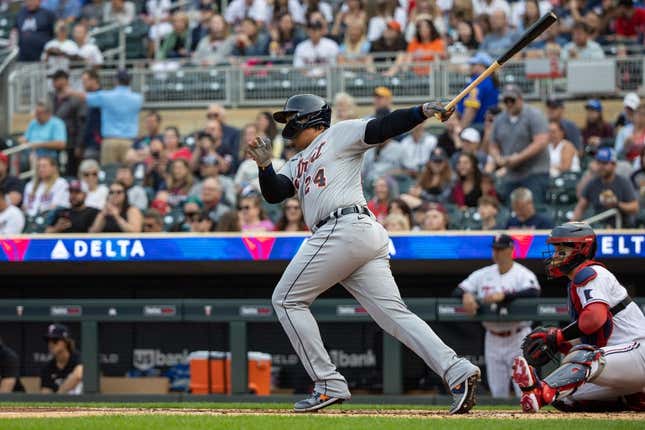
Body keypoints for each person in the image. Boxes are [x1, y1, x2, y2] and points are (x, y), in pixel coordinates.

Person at [246, 93, 479, 413]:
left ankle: (327, 383)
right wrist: (263, 166)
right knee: (394, 315)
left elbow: (383, 127)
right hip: (356, 234)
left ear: (309, 118)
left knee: (286, 300)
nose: (288, 125)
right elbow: (274, 193)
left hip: (343, 227)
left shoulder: (337, 134)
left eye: (290, 118)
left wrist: (421, 110)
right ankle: (457, 371)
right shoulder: (296, 161)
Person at [512, 222, 645, 412]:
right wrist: (563, 344)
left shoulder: (591, 273)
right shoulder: (576, 282)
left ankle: (540, 392)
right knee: (565, 397)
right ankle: (634, 397)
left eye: (561, 250)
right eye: (555, 250)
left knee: (585, 355)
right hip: (623, 363)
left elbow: (594, 320)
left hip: (638, 351)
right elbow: (595, 333)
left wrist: (558, 336)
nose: (555, 256)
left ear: (581, 249)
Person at [455, 234, 540, 398]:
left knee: (524, 390)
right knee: (497, 392)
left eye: (501, 249)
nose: (497, 253)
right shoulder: (483, 274)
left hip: (518, 336)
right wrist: (466, 295)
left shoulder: (522, 273)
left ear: (511, 250)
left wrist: (505, 296)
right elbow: (458, 290)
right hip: (492, 336)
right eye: (495, 249)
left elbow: (534, 292)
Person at [490, 84, 549, 205]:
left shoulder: (534, 115)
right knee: (511, 213)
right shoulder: (499, 119)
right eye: (506, 101)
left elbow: (541, 141)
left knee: (534, 209)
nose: (509, 103)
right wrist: (498, 158)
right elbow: (493, 145)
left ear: (520, 99)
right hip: (511, 174)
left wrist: (519, 157)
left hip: (534, 172)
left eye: (512, 100)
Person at [71, 69, 143, 165]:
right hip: (129, 141)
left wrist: (69, 91)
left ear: (116, 81)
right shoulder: (138, 99)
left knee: (109, 173)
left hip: (110, 141)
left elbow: (86, 97)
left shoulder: (106, 96)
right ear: (130, 81)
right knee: (128, 173)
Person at [573, 148, 638, 228]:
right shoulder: (593, 182)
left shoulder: (623, 182)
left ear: (614, 165)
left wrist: (617, 204)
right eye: (599, 163)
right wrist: (571, 226)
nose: (601, 166)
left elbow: (634, 207)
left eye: (604, 163)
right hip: (600, 226)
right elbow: (581, 206)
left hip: (622, 227)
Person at [50, 69, 85, 176]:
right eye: (54, 80)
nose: (55, 83)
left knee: (71, 171)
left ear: (65, 81)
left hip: (71, 141)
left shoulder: (75, 99)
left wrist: (79, 144)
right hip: (55, 141)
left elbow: (81, 123)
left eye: (58, 80)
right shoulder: (52, 97)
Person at [456, 52, 500, 129]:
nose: (471, 66)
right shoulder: (489, 80)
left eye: (474, 64)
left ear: (483, 66)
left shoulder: (479, 82)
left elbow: (471, 109)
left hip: (476, 126)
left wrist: (460, 129)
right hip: (484, 125)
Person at [40, 324, 83, 394]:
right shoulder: (47, 368)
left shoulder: (79, 357)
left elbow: (78, 375)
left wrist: (59, 395)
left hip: (81, 403)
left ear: (65, 342)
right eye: (48, 341)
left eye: (55, 340)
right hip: (59, 404)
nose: (51, 344)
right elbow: (46, 393)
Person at [80, 69, 101, 160]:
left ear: (94, 80)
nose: (83, 84)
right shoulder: (86, 99)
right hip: (87, 142)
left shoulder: (102, 97)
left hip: (97, 142)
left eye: (85, 81)